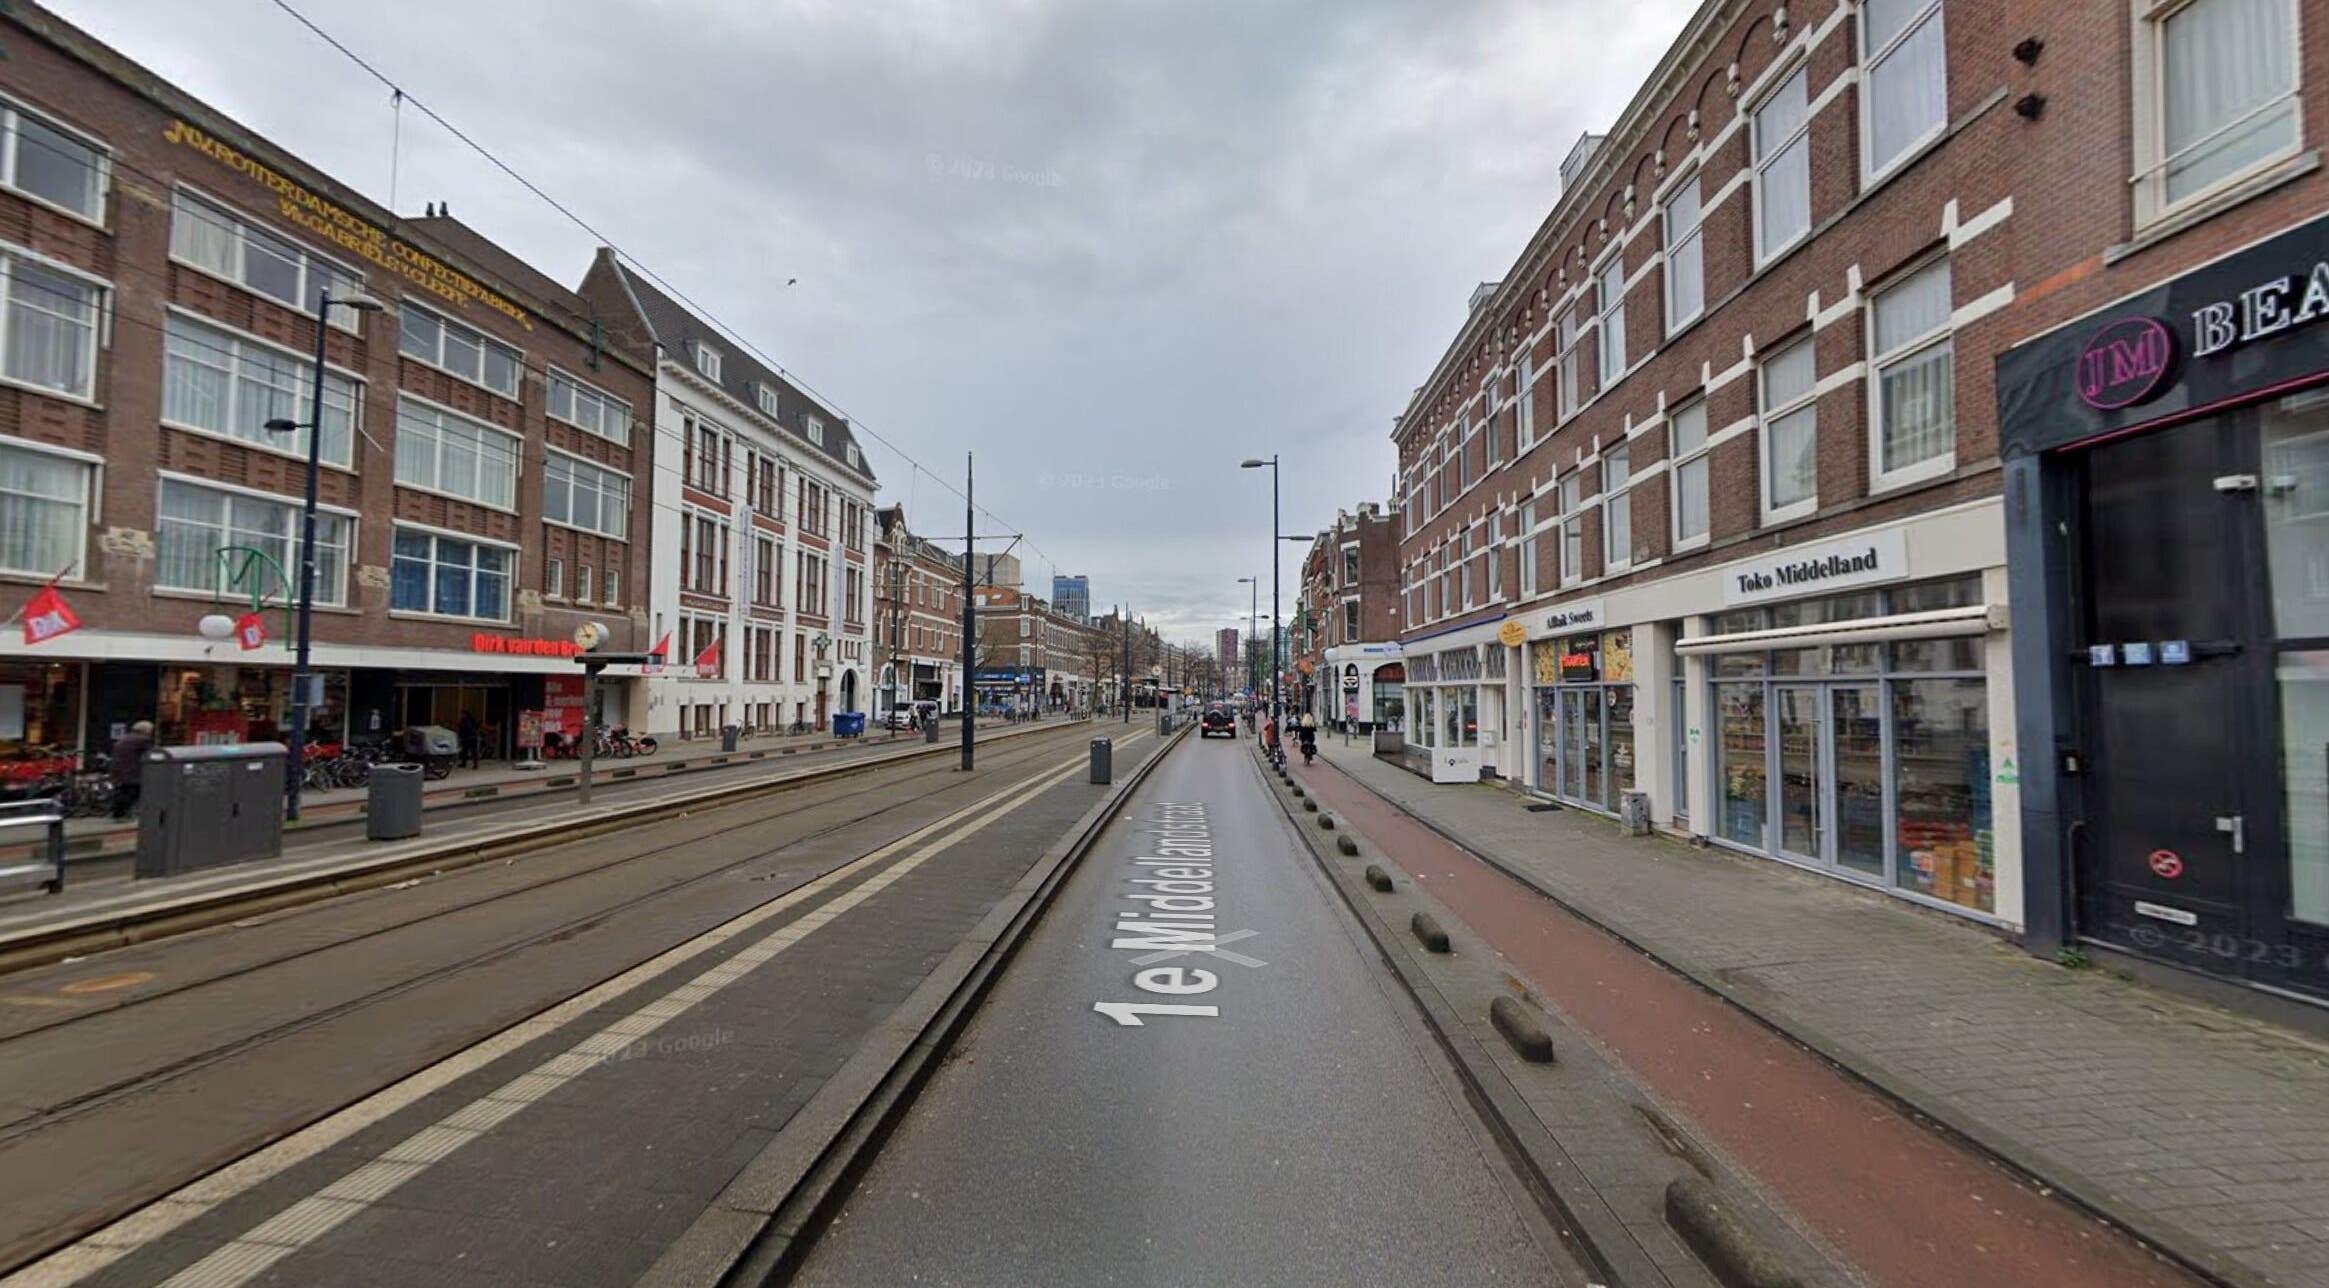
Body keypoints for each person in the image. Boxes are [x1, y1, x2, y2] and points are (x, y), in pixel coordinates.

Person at [109, 720, 154, 820]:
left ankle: (118, 814)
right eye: (151, 730)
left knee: (122, 792)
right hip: (134, 772)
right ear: (146, 730)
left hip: (119, 771)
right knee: (135, 793)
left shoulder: (124, 738)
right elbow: (151, 754)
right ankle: (131, 814)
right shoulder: (143, 740)